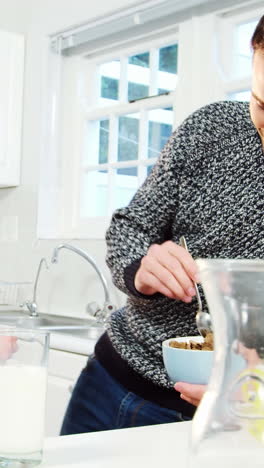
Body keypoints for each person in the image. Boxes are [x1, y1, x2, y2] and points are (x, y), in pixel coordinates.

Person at [60, 15, 264, 435]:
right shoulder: (210, 130)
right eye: (263, 104)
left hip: (241, 416)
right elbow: (128, 229)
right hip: (116, 386)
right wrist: (141, 269)